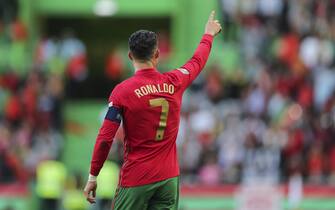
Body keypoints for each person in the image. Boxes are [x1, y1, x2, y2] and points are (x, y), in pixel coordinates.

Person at [83, 10, 222, 210]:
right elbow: (197, 62)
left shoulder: (122, 92)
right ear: (157, 54)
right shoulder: (175, 81)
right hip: (168, 178)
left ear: (130, 55)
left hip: (136, 178)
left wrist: (93, 175)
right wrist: (208, 35)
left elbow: (106, 137)